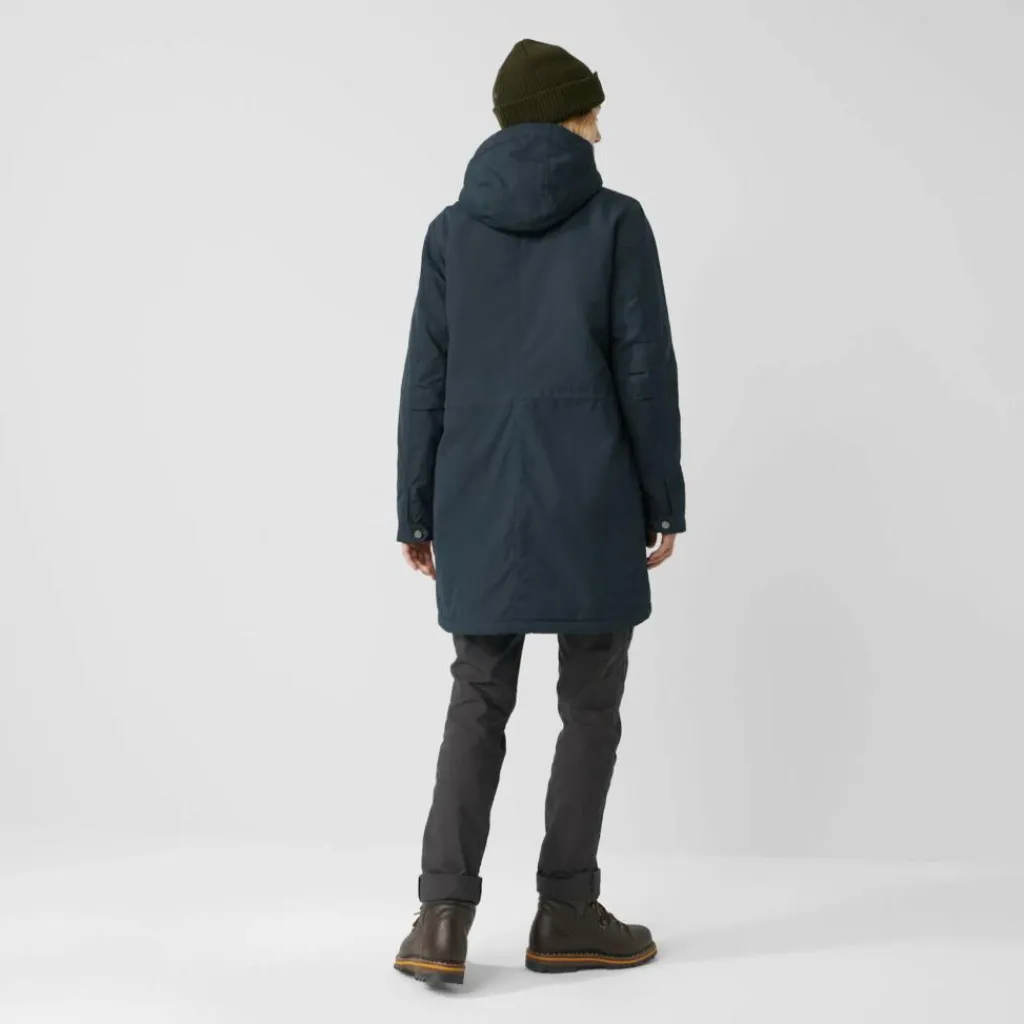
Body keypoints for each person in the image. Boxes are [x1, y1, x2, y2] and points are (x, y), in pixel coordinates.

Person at [393, 38, 685, 987]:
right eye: (593, 111)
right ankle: (566, 912)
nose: (600, 129)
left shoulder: (452, 231)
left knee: (478, 694)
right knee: (589, 702)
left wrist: (416, 509)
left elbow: (426, 380)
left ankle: (440, 919)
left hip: (476, 495)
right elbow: (645, 372)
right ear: (571, 115)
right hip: (591, 493)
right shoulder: (617, 221)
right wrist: (662, 497)